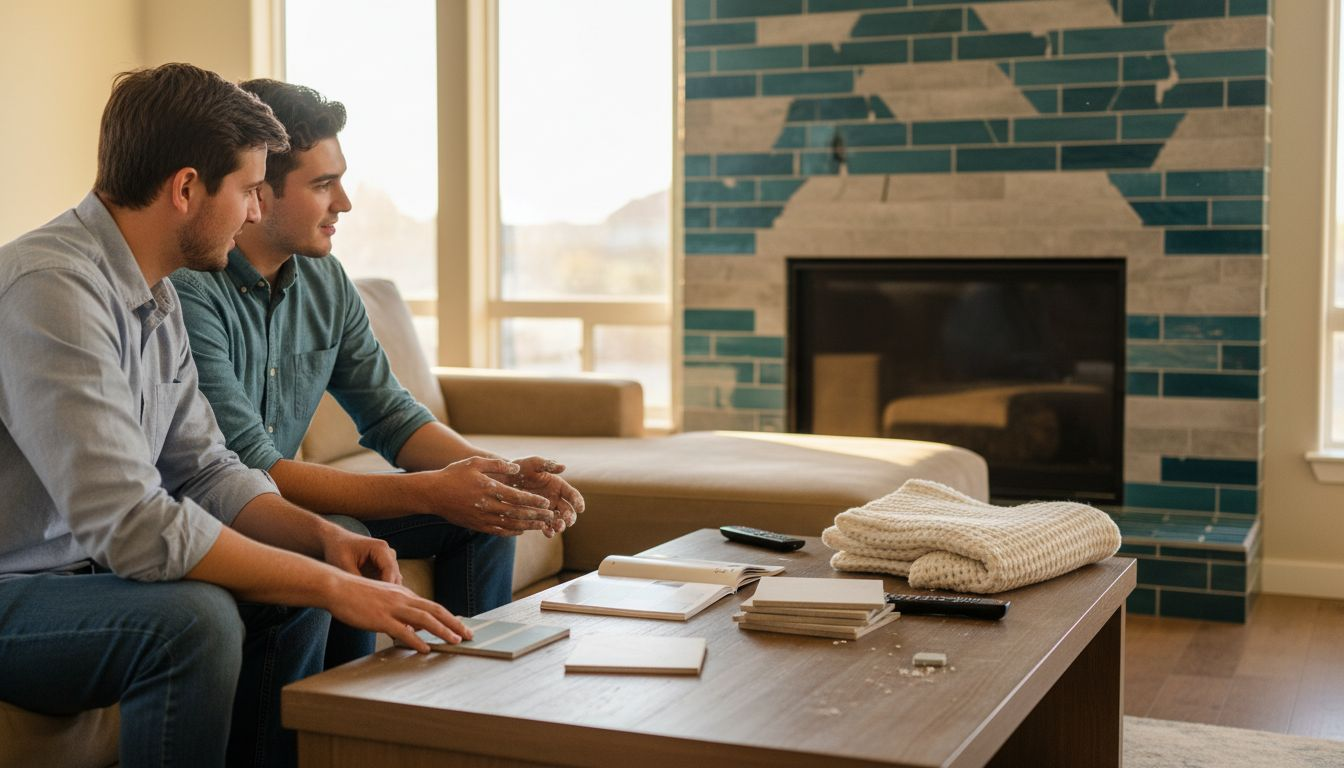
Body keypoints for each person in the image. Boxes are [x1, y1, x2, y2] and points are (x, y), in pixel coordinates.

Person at [0, 63, 474, 768]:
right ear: (187, 189)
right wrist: (328, 581)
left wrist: (320, 543)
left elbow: (206, 466)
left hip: (89, 572)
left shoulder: (153, 296)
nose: (256, 212)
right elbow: (132, 523)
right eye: (251, 189)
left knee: (310, 569)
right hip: (20, 587)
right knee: (193, 624)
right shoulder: (53, 289)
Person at [171, 79, 585, 668]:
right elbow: (248, 470)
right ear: (257, 190)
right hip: (223, 512)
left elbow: (392, 415)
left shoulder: (326, 281)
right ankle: (340, 726)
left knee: (484, 517)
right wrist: (432, 489)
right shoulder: (188, 291)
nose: (344, 202)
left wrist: (497, 478)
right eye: (323, 184)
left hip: (280, 500)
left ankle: (471, 696)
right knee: (336, 531)